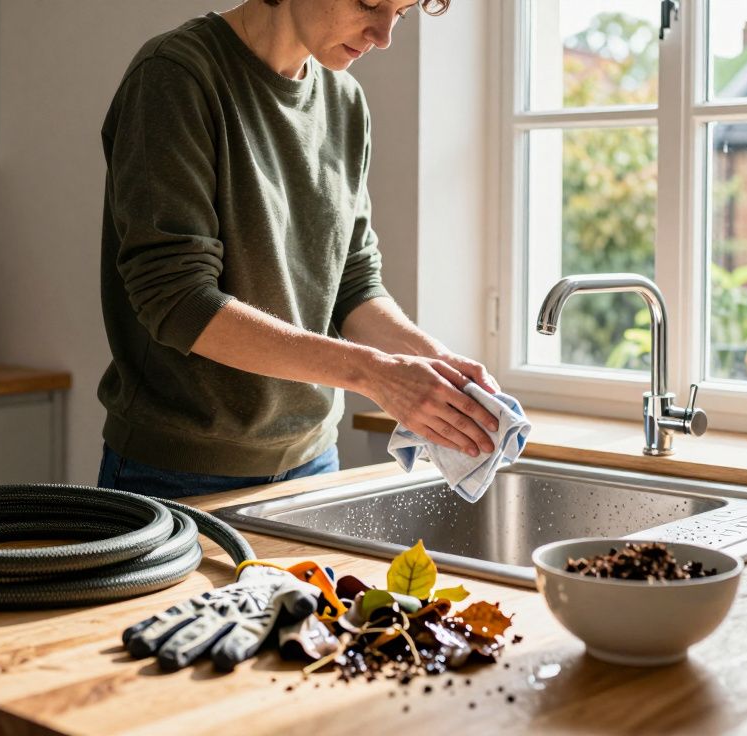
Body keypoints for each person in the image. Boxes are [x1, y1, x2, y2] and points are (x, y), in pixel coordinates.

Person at [97, 0, 501, 498]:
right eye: (370, 3)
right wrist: (378, 376)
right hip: (178, 469)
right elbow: (179, 302)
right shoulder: (175, 76)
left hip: (313, 461)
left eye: (400, 13)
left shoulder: (345, 102)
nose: (383, 36)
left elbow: (351, 282)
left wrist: (437, 367)